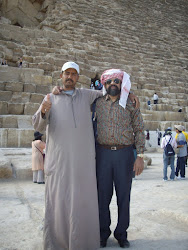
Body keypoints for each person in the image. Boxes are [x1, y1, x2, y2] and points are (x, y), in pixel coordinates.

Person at [33, 61, 140, 250]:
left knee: (116, 198)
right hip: (80, 159)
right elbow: (38, 125)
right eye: (67, 73)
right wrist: (44, 107)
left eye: (74, 74)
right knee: (89, 199)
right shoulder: (57, 98)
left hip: (106, 158)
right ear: (61, 76)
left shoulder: (96, 97)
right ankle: (84, 237)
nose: (70, 77)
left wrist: (128, 92)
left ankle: (115, 235)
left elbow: (135, 123)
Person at [95, 69, 145, 248]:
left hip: (125, 155)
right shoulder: (97, 103)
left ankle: (121, 233)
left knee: (124, 197)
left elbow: (139, 129)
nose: (112, 84)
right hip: (103, 155)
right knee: (102, 197)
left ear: (122, 83)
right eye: (109, 82)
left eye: (116, 81)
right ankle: (103, 232)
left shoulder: (131, 103)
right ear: (104, 84)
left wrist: (139, 156)